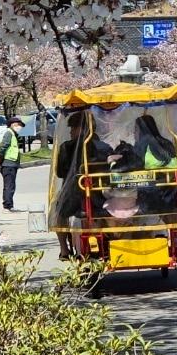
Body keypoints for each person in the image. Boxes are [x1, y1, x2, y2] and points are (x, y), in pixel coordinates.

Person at [52, 110, 114, 260]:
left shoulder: (67, 148)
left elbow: (60, 173)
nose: (71, 132)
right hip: (101, 195)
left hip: (75, 196)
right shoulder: (105, 147)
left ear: (82, 128)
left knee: (58, 212)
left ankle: (64, 249)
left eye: (73, 128)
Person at [0, 117, 25, 211]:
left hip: (11, 163)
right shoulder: (9, 133)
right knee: (9, 185)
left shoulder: (13, 134)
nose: (20, 127)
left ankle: (8, 204)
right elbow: (3, 147)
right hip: (8, 163)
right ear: (13, 125)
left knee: (10, 185)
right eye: (18, 125)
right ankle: (8, 205)